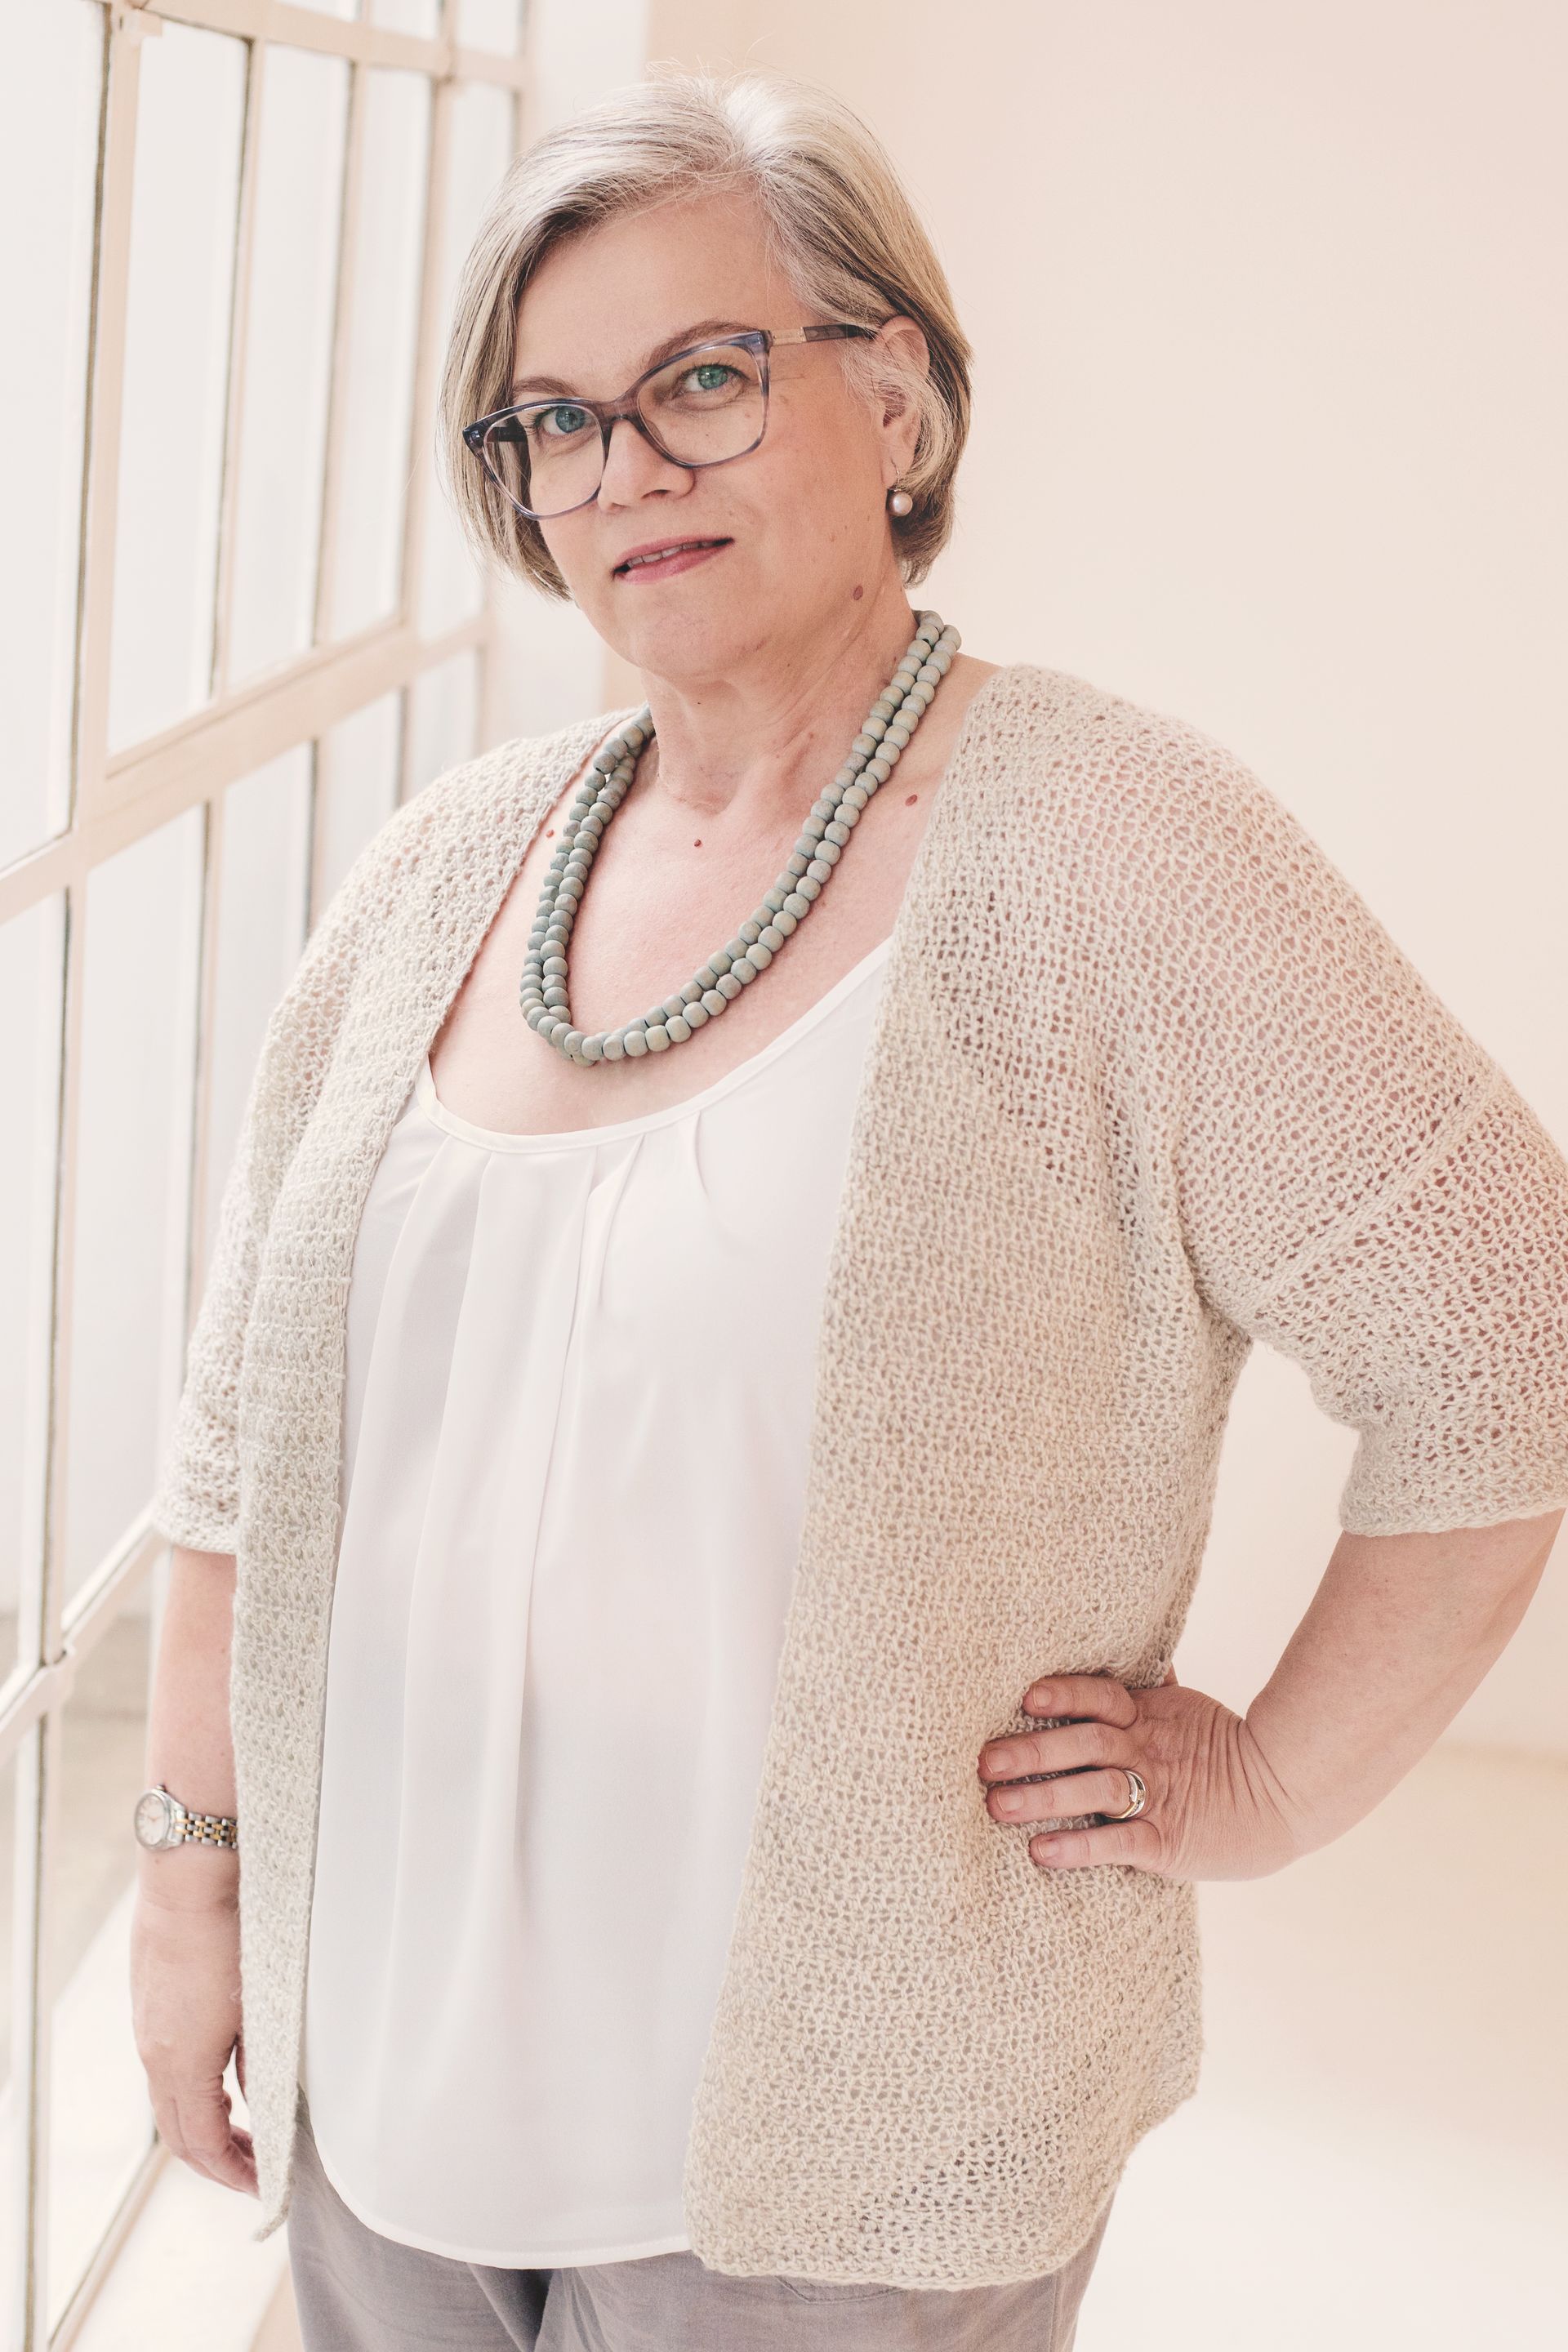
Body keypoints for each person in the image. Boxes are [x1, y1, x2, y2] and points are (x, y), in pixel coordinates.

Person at [130, 64, 1568, 2352]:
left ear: (894, 394)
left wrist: (1275, 1778)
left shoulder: (1108, 851)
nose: (626, 475)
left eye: (702, 380)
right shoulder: (442, 874)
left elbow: (1509, 1322)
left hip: (843, 2195)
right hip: (382, 2122)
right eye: (552, 423)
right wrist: (195, 1894)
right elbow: (233, 1446)